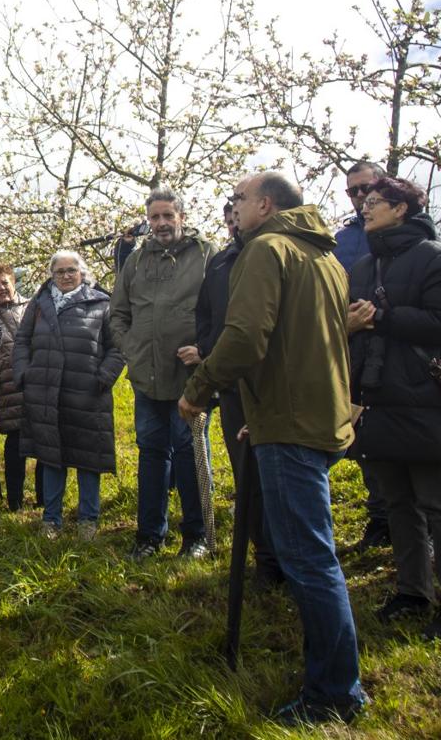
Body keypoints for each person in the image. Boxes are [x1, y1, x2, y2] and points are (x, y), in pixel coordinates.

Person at [180, 171, 367, 726]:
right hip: (309, 416)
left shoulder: (267, 249)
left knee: (309, 560)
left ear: (265, 204)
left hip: (291, 426)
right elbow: (309, 342)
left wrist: (198, 391)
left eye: (237, 198)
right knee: (315, 554)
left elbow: (243, 338)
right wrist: (258, 417)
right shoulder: (325, 258)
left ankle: (335, 693)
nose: (231, 208)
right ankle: (332, 675)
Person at [346, 176, 441, 635]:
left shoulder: (432, 258)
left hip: (424, 398)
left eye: (376, 201)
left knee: (434, 503)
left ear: (402, 208)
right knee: (398, 502)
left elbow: (438, 322)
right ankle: (412, 592)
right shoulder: (364, 265)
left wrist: (381, 318)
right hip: (377, 398)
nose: (365, 207)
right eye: (364, 201)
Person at [108, 187, 215, 560]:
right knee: (152, 454)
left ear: (181, 216)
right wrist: (130, 348)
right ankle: (150, 536)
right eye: (154, 217)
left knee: (191, 454)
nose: (161, 223)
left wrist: (205, 350)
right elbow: (117, 313)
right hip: (146, 377)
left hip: (189, 376)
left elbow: (223, 311)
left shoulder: (206, 255)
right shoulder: (136, 261)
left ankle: (197, 536)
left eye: (168, 215)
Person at [186, 188, 282, 587]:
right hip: (233, 385)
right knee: (247, 473)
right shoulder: (221, 263)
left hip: (276, 383)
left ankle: (292, 558)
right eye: (228, 218)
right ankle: (265, 559)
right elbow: (207, 318)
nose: (232, 223)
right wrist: (210, 354)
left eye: (236, 215)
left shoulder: (274, 255)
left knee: (281, 474)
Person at [13, 251, 123, 539]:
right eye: (59, 271)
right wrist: (24, 373)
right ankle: (51, 520)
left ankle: (88, 520)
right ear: (52, 274)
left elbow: (117, 347)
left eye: (71, 270)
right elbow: (22, 341)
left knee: (89, 459)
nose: (65, 276)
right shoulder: (39, 304)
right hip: (46, 392)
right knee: (51, 458)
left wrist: (104, 377)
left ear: (81, 273)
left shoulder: (101, 303)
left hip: (87, 393)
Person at [336, 161, 393, 552]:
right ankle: (379, 518)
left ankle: (409, 526)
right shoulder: (343, 239)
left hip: (396, 344)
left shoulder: (406, 234)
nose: (359, 198)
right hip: (354, 345)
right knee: (366, 434)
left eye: (365, 190)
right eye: (352, 191)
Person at [0, 263, 32, 511]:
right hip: (7, 385)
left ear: (13, 282)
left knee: (45, 440)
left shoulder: (31, 306)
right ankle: (15, 501)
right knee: (15, 443)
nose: (2, 288)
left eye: (5, 282)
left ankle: (44, 498)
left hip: (36, 382)